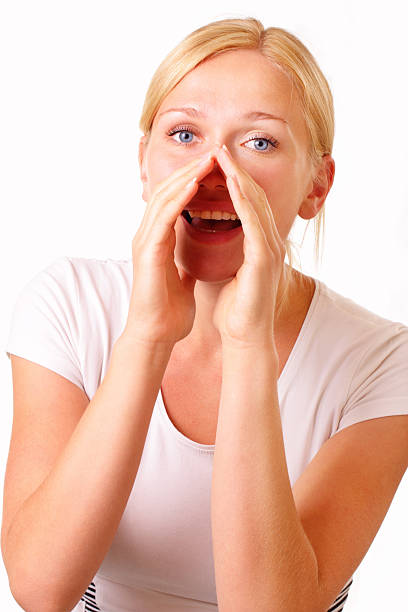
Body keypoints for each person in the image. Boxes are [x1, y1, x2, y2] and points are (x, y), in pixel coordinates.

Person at [2, 16, 408, 612]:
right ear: (145, 162)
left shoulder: (383, 362)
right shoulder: (67, 303)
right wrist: (145, 336)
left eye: (259, 142)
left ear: (317, 185)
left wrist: (247, 345)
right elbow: (41, 590)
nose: (215, 173)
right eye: (185, 134)